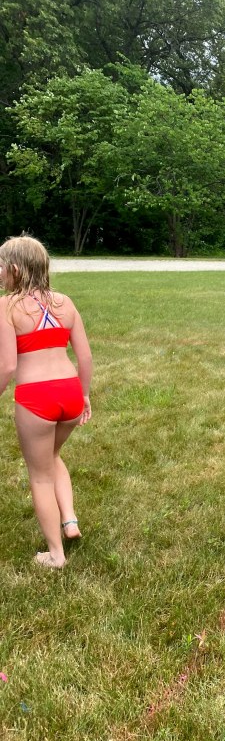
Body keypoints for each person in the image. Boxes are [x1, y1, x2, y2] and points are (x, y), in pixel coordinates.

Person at [0, 235, 93, 568]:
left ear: (14, 269)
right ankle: (69, 520)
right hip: (70, 393)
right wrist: (84, 395)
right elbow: (85, 357)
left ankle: (55, 555)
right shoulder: (65, 302)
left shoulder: (6, 306)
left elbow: (7, 366)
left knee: (39, 475)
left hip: (37, 398)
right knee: (52, 456)